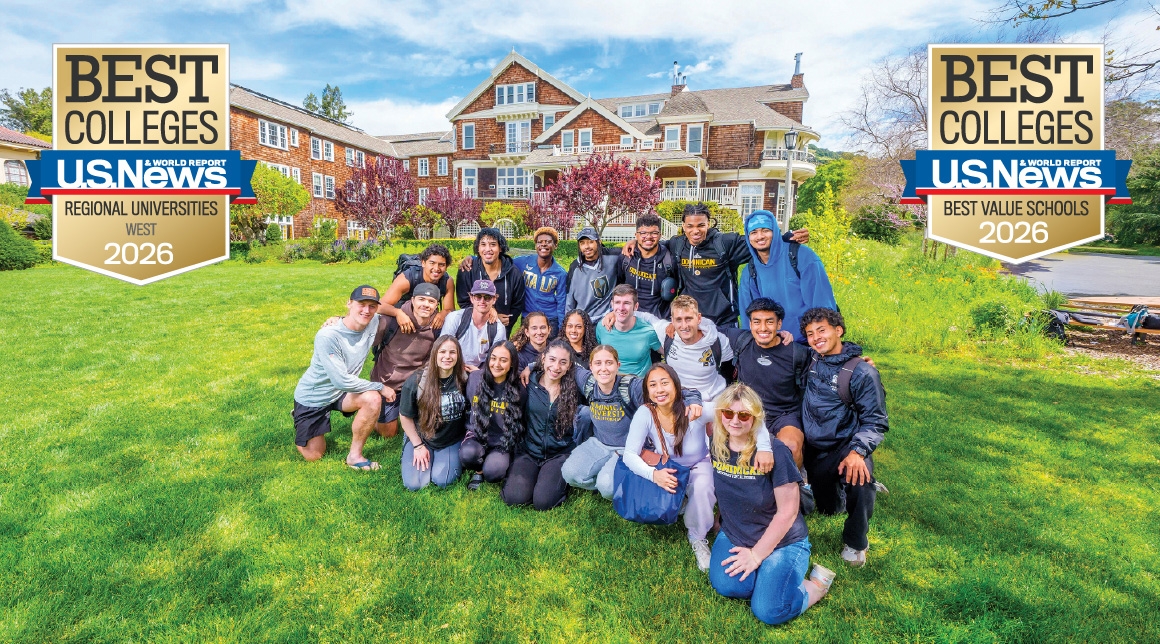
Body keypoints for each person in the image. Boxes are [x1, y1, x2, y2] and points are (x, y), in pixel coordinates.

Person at [622, 363, 775, 571]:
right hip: (667, 467)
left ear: (676, 385)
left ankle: (697, 536)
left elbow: (750, 412)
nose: (659, 390)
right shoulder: (645, 413)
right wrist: (654, 474)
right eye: (653, 385)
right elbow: (629, 454)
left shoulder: (695, 408)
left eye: (665, 383)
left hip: (697, 464)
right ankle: (684, 504)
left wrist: (765, 447)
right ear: (647, 391)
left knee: (703, 486)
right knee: (660, 499)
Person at [708, 382, 834, 625]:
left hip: (783, 541)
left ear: (755, 418)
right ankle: (767, 576)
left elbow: (788, 512)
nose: (735, 420)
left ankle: (816, 586)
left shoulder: (775, 452)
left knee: (769, 610)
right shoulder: (717, 443)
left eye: (744, 415)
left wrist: (756, 555)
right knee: (729, 586)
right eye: (728, 413)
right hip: (737, 533)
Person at [800, 307, 889, 567]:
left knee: (859, 478)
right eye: (809, 334)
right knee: (829, 508)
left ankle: (856, 542)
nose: (816, 337)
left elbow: (876, 420)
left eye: (822, 330)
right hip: (814, 449)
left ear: (838, 331)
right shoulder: (811, 359)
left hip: (845, 446)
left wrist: (858, 452)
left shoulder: (862, 372)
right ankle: (822, 487)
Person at [621, 203, 807, 327]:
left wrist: (786, 237)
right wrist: (634, 242)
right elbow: (653, 243)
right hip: (692, 319)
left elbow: (757, 240)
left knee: (724, 373)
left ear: (708, 224)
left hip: (723, 319)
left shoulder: (725, 243)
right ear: (684, 226)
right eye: (690, 226)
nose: (695, 231)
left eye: (701, 225)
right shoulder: (677, 244)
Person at [560, 345, 703, 499]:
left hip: (627, 448)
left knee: (607, 487)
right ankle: (614, 479)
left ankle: (620, 482)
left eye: (609, 363)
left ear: (618, 365)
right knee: (569, 474)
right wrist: (532, 367)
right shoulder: (588, 383)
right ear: (591, 366)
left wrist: (694, 400)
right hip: (599, 443)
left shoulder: (631, 387)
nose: (604, 368)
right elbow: (567, 361)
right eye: (598, 363)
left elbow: (678, 390)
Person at [292, 285, 392, 470]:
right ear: (349, 303)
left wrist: (400, 314)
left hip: (342, 394)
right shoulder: (328, 336)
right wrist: (380, 386)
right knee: (314, 456)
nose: (366, 310)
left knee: (372, 399)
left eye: (372, 306)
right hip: (315, 397)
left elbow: (390, 306)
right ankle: (299, 417)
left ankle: (355, 456)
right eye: (361, 304)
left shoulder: (374, 321)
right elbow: (341, 380)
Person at [502, 340, 585, 511]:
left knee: (543, 502)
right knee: (514, 498)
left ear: (570, 366)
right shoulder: (527, 382)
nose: (556, 367)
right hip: (529, 451)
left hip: (560, 454)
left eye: (563, 362)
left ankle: (554, 479)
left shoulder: (575, 388)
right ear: (543, 359)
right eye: (552, 360)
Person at [739, 210, 837, 342]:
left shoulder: (802, 256)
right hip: (773, 343)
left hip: (808, 342)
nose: (760, 236)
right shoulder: (750, 271)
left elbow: (822, 301)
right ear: (748, 237)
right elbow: (749, 316)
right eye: (754, 232)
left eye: (765, 230)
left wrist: (821, 340)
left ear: (775, 231)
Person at [398, 335, 469, 491]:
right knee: (415, 484)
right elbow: (405, 416)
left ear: (458, 355)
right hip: (423, 437)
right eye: (442, 352)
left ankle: (444, 458)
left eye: (452, 352)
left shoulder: (464, 379)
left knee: (443, 480)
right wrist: (418, 446)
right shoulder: (416, 381)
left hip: (451, 439)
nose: (447, 357)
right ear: (435, 354)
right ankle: (409, 446)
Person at [631, 295, 734, 402]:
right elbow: (648, 318)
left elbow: (734, 360)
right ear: (672, 321)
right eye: (679, 320)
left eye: (688, 319)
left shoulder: (716, 341)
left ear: (699, 318)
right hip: (679, 399)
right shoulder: (667, 334)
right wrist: (614, 314)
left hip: (711, 400)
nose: (684, 326)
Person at [461, 341, 524, 491]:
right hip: (477, 435)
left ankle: (492, 465)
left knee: (493, 473)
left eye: (503, 360)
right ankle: (478, 470)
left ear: (512, 364)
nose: (497, 364)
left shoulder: (520, 389)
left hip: (502, 441)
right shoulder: (475, 378)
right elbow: (468, 405)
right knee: (467, 455)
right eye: (493, 358)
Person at [455, 228, 525, 333]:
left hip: (501, 332)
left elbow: (517, 304)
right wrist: (489, 316)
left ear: (500, 248)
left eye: (493, 244)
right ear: (478, 248)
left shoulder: (514, 274)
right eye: (483, 244)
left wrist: (505, 321)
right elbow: (464, 302)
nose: (488, 249)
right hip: (474, 329)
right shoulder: (467, 271)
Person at [378, 243, 457, 333]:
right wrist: (398, 313)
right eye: (432, 263)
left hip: (427, 315)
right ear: (423, 263)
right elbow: (379, 306)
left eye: (441, 265)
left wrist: (443, 314)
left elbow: (450, 309)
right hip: (404, 313)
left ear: (446, 267)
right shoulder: (406, 279)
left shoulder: (447, 281)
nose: (436, 268)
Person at [617, 213, 677, 319]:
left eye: (654, 233)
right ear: (636, 235)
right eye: (643, 233)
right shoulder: (626, 258)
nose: (648, 237)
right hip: (631, 319)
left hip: (660, 321)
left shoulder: (669, 260)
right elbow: (619, 284)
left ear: (660, 234)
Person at [594, 284, 661, 378]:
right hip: (610, 384)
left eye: (626, 303)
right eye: (617, 302)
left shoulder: (648, 332)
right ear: (612, 304)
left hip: (638, 386)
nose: (621, 308)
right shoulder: (602, 327)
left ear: (636, 306)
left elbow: (669, 353)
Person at [440, 279, 506, 371]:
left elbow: (497, 359)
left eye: (487, 297)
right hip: (452, 367)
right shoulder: (455, 318)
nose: (482, 301)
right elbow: (442, 348)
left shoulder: (498, 328)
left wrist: (478, 374)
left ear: (494, 299)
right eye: (478, 296)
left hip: (479, 370)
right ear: (471, 298)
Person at [514, 227, 568, 335]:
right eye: (540, 242)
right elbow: (500, 261)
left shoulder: (560, 273)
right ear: (536, 246)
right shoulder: (524, 262)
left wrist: (562, 329)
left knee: (550, 350)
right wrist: (472, 258)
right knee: (524, 349)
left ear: (555, 245)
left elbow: (562, 302)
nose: (543, 244)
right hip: (528, 317)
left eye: (548, 242)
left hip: (550, 319)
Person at [566, 226, 621, 320]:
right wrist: (568, 321)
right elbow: (569, 299)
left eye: (590, 242)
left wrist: (632, 242)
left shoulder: (613, 257)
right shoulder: (575, 267)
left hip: (607, 318)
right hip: (583, 320)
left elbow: (636, 248)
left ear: (598, 242)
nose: (586, 246)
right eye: (582, 243)